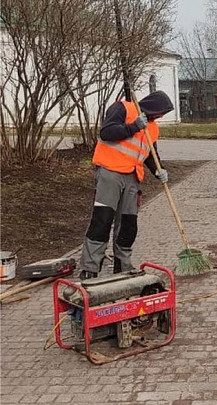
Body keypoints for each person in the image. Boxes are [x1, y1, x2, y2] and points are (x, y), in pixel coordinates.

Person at [78, 91, 174, 280]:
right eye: (161, 112)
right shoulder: (123, 108)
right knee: (102, 219)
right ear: (153, 107)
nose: (162, 116)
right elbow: (107, 133)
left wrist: (159, 170)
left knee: (128, 224)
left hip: (132, 177)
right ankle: (90, 267)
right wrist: (133, 127)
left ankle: (123, 265)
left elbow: (150, 154)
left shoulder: (153, 128)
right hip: (110, 173)